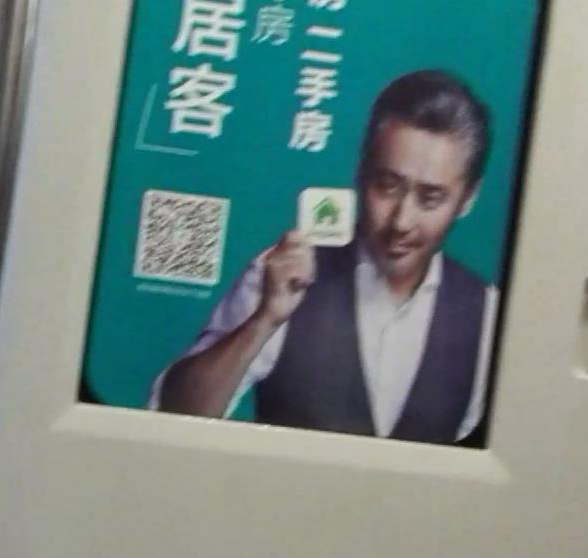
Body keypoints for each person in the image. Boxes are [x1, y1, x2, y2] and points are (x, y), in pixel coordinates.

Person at [152, 70, 500, 446]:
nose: (402, 221)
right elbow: (173, 416)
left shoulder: (486, 313)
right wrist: (263, 320)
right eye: (387, 186)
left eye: (430, 198)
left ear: (468, 198)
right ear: (361, 172)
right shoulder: (283, 276)